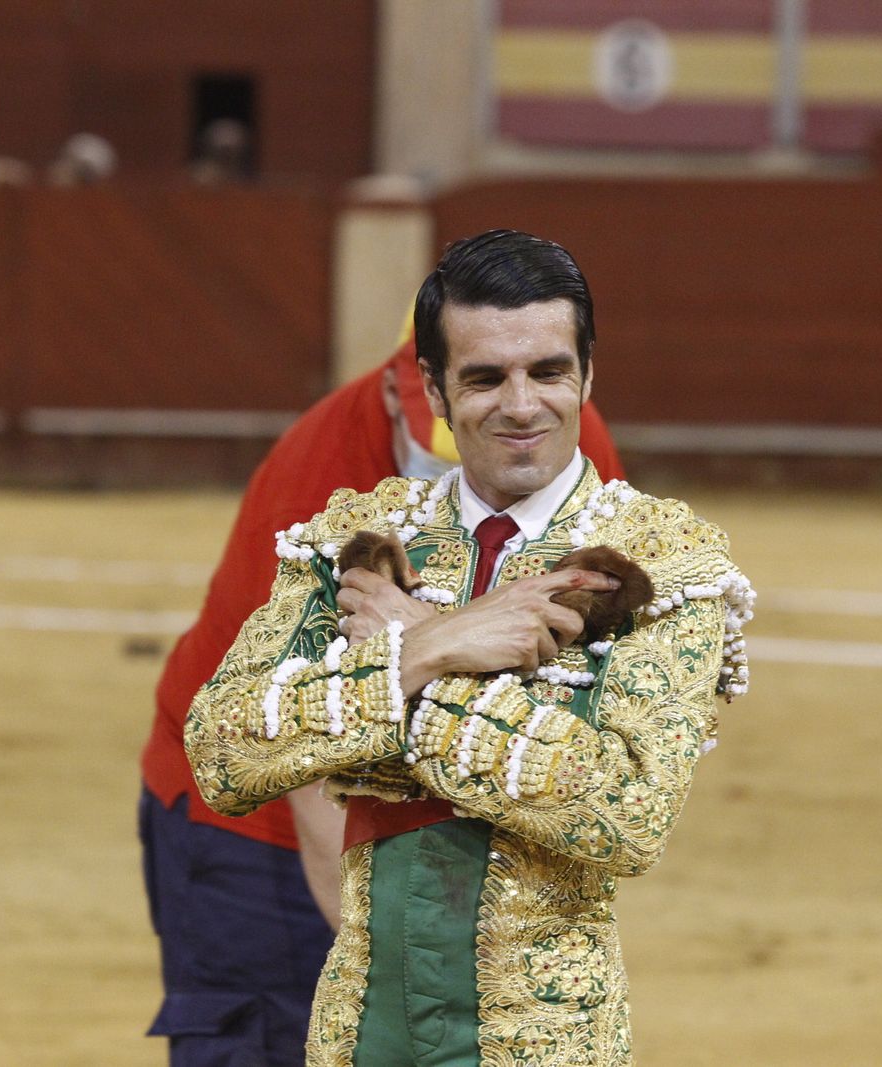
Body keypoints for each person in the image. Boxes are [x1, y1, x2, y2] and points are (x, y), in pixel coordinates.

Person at [185, 229, 753, 1066]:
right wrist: (429, 651)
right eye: (485, 377)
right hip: (358, 1028)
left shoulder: (663, 560)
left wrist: (410, 646)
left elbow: (625, 813)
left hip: (545, 1034)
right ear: (436, 391)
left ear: (588, 375)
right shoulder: (358, 536)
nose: (521, 405)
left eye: (548, 371)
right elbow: (223, 750)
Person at [139, 315, 625, 1065]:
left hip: (453, 806)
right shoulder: (322, 479)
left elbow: (580, 687)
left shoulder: (558, 435)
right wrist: (383, 954)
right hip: (253, 826)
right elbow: (291, 748)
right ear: (419, 389)